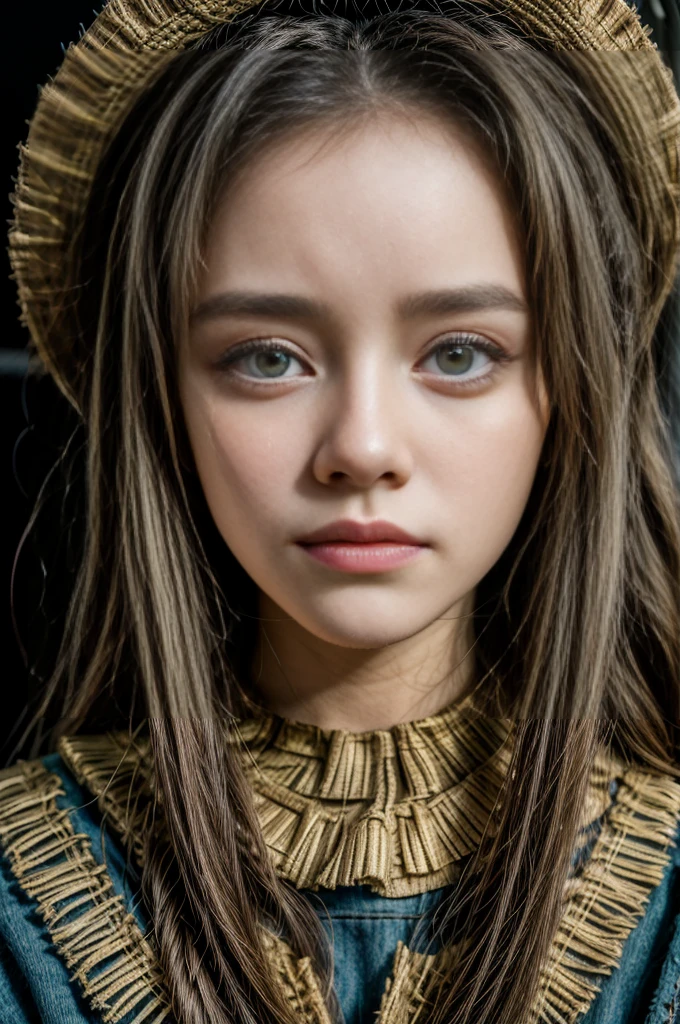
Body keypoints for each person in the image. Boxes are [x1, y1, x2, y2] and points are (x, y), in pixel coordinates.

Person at [1, 1, 679, 1022]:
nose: (361, 445)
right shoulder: (18, 909)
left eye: (458, 354)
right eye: (267, 359)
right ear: (160, 396)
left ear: (568, 385)